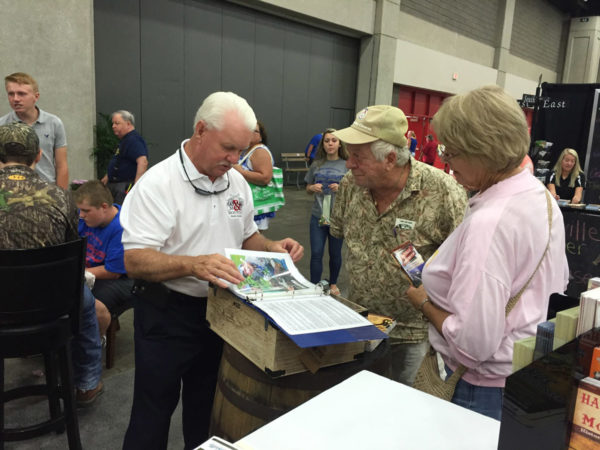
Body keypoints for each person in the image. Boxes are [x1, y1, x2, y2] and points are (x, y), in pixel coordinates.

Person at [119, 91, 303, 450]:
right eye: (228, 148)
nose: (235, 160)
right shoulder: (158, 184)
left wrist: (272, 248)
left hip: (222, 314)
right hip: (166, 315)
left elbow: (248, 235)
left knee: (207, 411)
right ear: (200, 130)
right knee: (152, 413)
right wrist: (193, 264)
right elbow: (135, 260)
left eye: (241, 150)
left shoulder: (235, 181)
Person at [406, 85, 569, 420]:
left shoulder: (490, 222)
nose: (447, 164)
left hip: (477, 388)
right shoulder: (541, 198)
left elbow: (472, 345)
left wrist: (423, 301)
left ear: (483, 151)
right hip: (523, 375)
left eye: (451, 152)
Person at [330, 105, 468, 386]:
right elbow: (340, 235)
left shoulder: (443, 192)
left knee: (408, 413)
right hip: (360, 326)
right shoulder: (349, 185)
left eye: (357, 156)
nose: (348, 163)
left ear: (390, 159)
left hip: (415, 335)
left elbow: (466, 266)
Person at [0, 122, 103, 406]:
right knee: (86, 304)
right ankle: (86, 384)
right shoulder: (60, 197)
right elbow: (71, 256)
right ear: (37, 157)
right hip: (50, 306)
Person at [73, 180, 133, 339]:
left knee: (94, 307)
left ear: (104, 207)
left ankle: (95, 342)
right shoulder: (87, 220)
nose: (81, 215)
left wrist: (77, 272)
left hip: (120, 277)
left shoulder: (121, 227)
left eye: (86, 211)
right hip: (92, 270)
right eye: (80, 210)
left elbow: (113, 272)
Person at [0, 72, 68, 189]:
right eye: (11, 94)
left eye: (21, 94)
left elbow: (61, 165)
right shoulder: (2, 125)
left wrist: (62, 197)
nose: (15, 99)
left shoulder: (54, 123)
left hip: (46, 191)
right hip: (11, 191)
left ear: (36, 97)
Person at [304, 128, 348, 295]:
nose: (330, 143)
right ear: (322, 144)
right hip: (318, 216)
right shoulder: (317, 164)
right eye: (327, 141)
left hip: (337, 217)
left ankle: (333, 284)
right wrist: (312, 188)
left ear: (339, 144)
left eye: (334, 140)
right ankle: (314, 285)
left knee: (335, 253)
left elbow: (355, 189)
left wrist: (341, 187)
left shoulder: (346, 165)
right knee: (316, 252)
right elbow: (307, 187)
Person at [233, 120, 275, 230]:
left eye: (254, 131)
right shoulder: (248, 150)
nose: (250, 132)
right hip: (248, 204)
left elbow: (265, 178)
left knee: (252, 241)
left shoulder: (259, 151)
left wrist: (241, 172)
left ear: (261, 137)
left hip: (255, 206)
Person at [101, 110, 149, 204]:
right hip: (116, 185)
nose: (113, 126)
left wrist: (137, 185)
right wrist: (108, 176)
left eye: (117, 123)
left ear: (128, 124)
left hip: (125, 186)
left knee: (121, 212)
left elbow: (143, 162)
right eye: (113, 123)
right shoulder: (125, 140)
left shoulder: (134, 140)